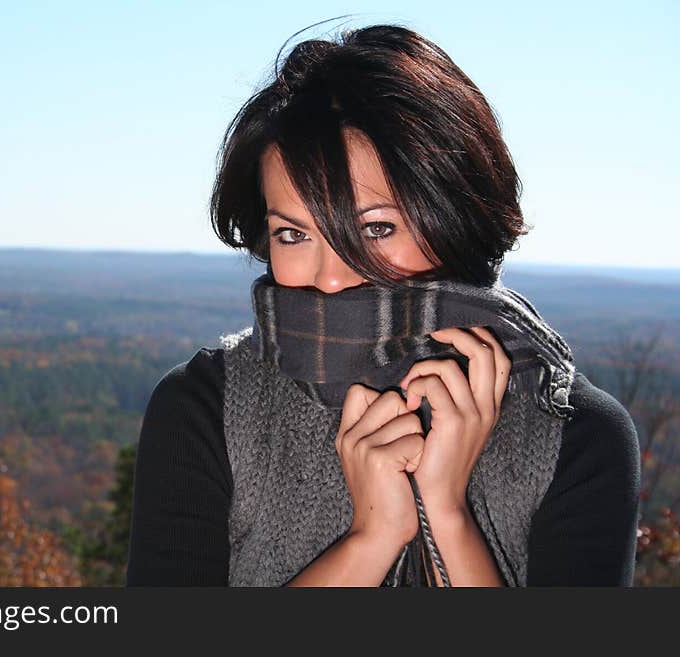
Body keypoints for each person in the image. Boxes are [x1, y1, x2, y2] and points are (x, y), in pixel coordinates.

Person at [125, 23, 641, 586]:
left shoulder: (575, 435)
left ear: (455, 222)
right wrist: (371, 540)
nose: (331, 277)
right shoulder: (205, 410)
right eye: (293, 234)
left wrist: (448, 516)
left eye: (376, 227)